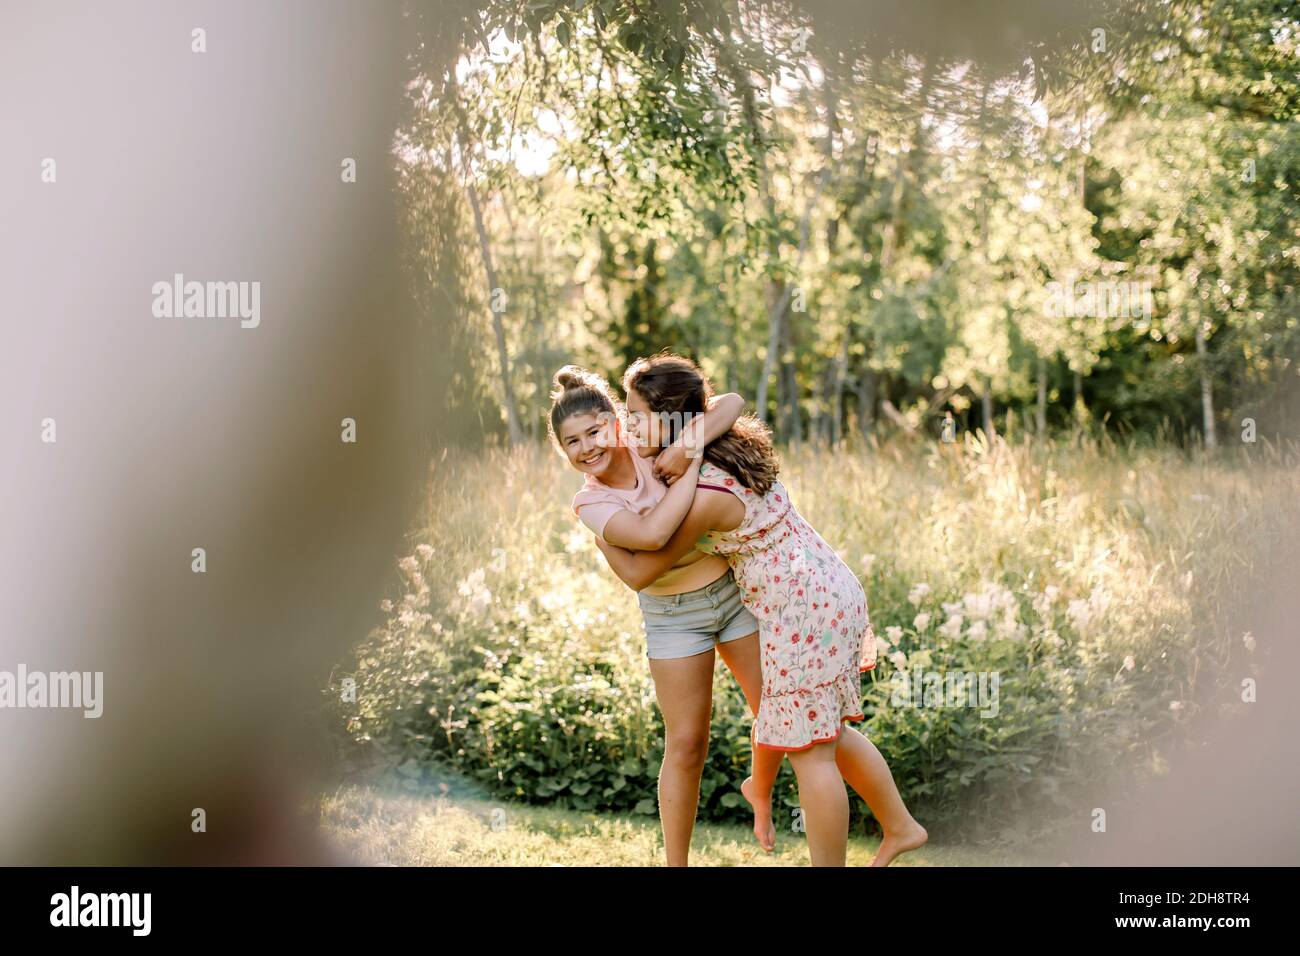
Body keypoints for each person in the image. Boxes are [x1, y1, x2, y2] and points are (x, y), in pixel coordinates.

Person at [591, 353, 927, 866]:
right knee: (823, 730)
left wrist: (604, 543)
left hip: (801, 612)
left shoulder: (702, 491)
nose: (627, 425)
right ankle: (899, 826)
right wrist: (688, 442)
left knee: (812, 754)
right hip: (825, 591)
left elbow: (644, 568)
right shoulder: (727, 445)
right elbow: (729, 403)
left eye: (637, 415)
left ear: (675, 420)